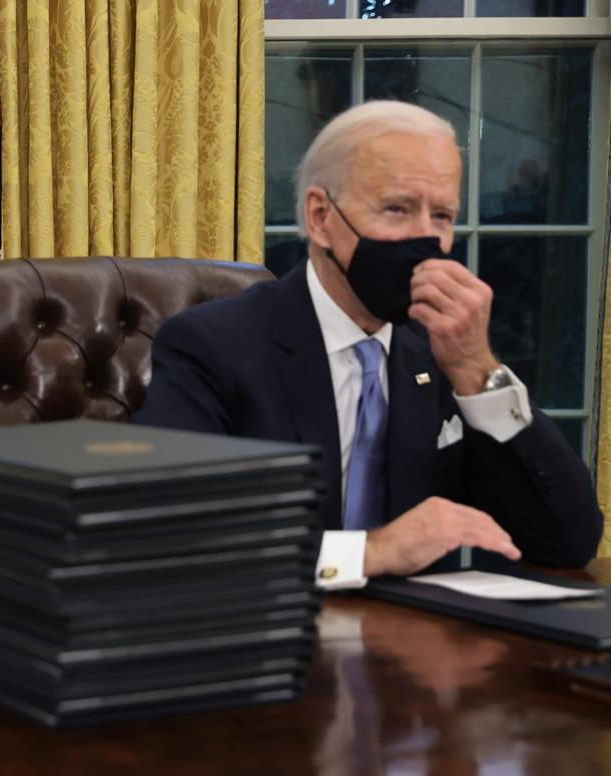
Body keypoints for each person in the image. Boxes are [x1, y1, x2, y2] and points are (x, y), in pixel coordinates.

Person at [134, 100, 602, 589]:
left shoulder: (441, 352)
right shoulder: (213, 345)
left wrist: (479, 372)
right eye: (397, 209)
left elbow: (567, 542)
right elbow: (172, 536)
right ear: (320, 217)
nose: (426, 236)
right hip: (268, 639)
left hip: (419, 644)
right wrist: (370, 553)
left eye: (442, 215)